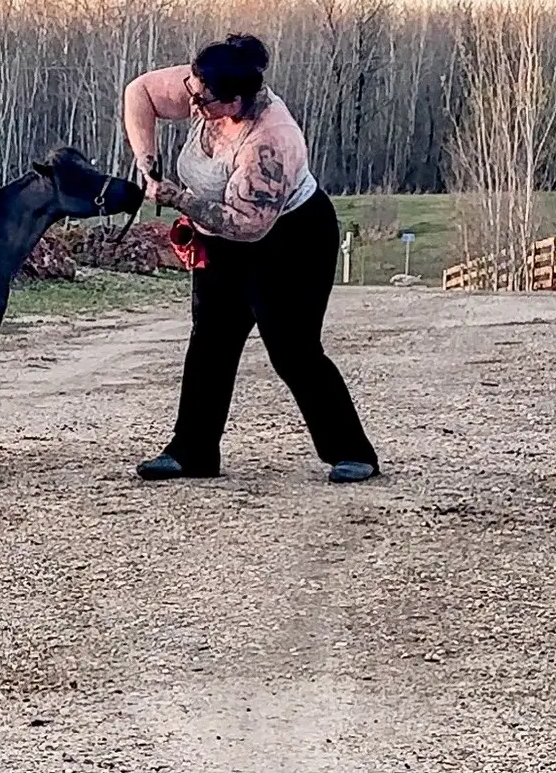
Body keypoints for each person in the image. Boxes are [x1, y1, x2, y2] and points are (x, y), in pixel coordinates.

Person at [122, 33, 380, 484]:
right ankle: (193, 452)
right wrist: (148, 164)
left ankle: (352, 451)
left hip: (289, 238)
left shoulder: (271, 138)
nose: (195, 106)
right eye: (194, 94)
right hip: (219, 234)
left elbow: (248, 225)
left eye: (206, 102)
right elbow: (139, 92)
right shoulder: (203, 85)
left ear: (237, 101)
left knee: (293, 350)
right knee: (210, 341)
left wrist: (179, 198)